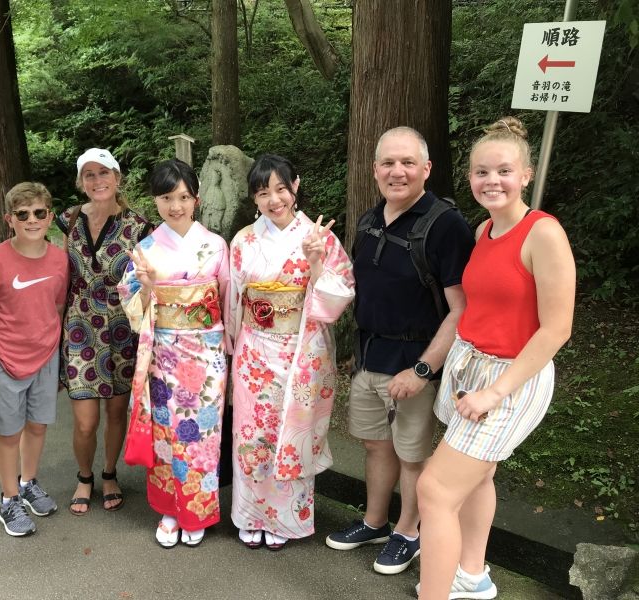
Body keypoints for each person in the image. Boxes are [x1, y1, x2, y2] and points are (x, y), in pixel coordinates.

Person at [416, 117, 575, 599]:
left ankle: (433, 594)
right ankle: (472, 574)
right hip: (471, 365)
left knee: (435, 491)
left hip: (511, 378)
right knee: (479, 474)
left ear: (525, 174)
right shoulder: (484, 230)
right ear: (469, 178)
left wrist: (494, 392)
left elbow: (557, 329)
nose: (492, 181)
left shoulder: (542, 234)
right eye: (482, 172)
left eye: (504, 171)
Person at [325, 127, 474, 575]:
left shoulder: (446, 225)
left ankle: (409, 533)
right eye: (388, 163)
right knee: (375, 447)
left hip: (414, 364)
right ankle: (374, 521)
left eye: (408, 162)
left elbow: (461, 310)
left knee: (412, 455)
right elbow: (355, 289)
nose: (397, 171)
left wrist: (424, 369)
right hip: (369, 358)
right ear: (375, 170)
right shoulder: (370, 221)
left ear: (426, 169)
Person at [227, 154, 354, 550]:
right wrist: (233, 347)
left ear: (295, 186)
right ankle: (250, 514)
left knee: (292, 434)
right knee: (253, 433)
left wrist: (316, 262)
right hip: (254, 352)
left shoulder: (320, 237)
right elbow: (234, 300)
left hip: (301, 350)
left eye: (281, 188)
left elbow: (338, 297)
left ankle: (285, 520)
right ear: (255, 198)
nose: (274, 199)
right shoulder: (244, 240)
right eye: (263, 192)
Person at [118, 159, 230, 548]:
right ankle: (169, 507)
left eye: (183, 197)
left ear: (196, 198)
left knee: (203, 433)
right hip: (164, 350)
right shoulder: (146, 248)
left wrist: (227, 344)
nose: (175, 206)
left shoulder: (216, 244)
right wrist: (148, 286)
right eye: (167, 198)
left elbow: (228, 300)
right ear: (156, 201)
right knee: (167, 430)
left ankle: (197, 508)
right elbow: (131, 299)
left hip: (207, 350)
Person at [56, 148, 152, 514]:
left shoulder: (139, 226)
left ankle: (110, 472)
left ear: (117, 177)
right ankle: (85, 476)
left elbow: (147, 280)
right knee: (85, 421)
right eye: (89, 175)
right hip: (79, 329)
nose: (98, 181)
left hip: (121, 328)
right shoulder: (69, 218)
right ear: (82, 182)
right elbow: (61, 274)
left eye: (104, 173)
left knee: (116, 412)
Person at [0, 182, 69, 537]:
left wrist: (52, 345)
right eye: (23, 214)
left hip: (44, 354)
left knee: (38, 425)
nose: (32, 220)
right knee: (8, 431)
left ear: (50, 216)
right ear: (9, 219)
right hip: (2, 355)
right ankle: (9, 498)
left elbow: (57, 306)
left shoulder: (60, 258)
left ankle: (28, 482)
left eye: (39, 213)